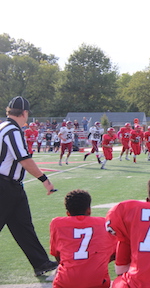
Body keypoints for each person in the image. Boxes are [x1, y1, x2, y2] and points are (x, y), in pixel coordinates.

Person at [0, 96, 57, 277]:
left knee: (23, 226)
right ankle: (41, 262)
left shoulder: (4, 127)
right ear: (25, 113)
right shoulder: (12, 131)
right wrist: (44, 180)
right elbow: (24, 159)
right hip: (4, 186)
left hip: (12, 186)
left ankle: (40, 262)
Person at [49, 190, 116, 287]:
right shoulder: (103, 223)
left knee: (59, 271)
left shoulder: (57, 223)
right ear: (89, 210)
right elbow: (117, 253)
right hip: (97, 282)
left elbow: (57, 255)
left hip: (66, 282)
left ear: (68, 213)